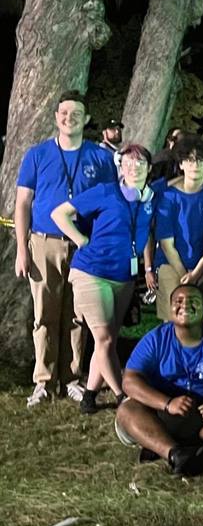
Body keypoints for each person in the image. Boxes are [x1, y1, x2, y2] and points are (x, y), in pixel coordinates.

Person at [15, 89, 117, 407]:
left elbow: (111, 201)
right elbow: (22, 204)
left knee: (77, 315)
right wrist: (22, 248)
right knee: (44, 314)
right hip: (44, 243)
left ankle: (72, 377)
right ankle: (43, 381)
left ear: (85, 119)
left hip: (84, 246)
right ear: (56, 117)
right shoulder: (37, 154)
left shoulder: (100, 158)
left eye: (76, 114)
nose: (69, 118)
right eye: (63, 113)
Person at [50, 144, 157, 414]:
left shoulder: (150, 198)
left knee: (104, 339)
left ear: (149, 168)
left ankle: (90, 395)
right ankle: (124, 396)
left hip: (124, 277)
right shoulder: (105, 192)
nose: (134, 168)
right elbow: (59, 214)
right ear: (120, 167)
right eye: (129, 163)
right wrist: (80, 239)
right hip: (92, 273)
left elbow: (187, 177)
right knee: (106, 339)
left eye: (140, 163)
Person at [115, 284, 203, 475]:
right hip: (161, 411)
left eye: (193, 301)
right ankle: (176, 453)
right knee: (127, 410)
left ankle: (166, 444)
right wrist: (168, 403)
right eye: (178, 301)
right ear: (170, 309)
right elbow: (129, 381)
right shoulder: (155, 339)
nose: (185, 305)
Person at [154, 134, 203, 320]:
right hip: (171, 264)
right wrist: (184, 275)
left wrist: (196, 273)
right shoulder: (167, 196)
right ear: (181, 163)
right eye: (190, 160)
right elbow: (167, 245)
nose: (195, 165)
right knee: (173, 321)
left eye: (200, 160)